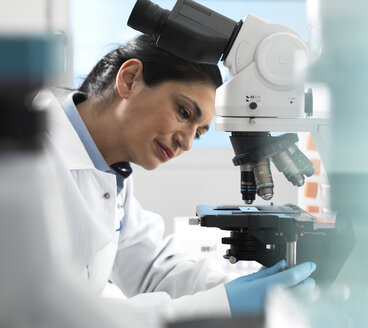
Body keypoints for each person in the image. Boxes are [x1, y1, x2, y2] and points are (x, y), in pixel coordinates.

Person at [38, 34, 316, 325]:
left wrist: (239, 290)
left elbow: (150, 268)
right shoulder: (28, 157)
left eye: (198, 133)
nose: (186, 143)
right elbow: (51, 313)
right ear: (130, 79)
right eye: (184, 112)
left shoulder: (112, 173)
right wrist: (223, 304)